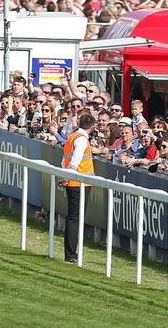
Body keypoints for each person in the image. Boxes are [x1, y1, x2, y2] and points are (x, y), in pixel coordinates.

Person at [62, 113, 96, 263]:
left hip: (74, 181)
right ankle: (70, 255)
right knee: (74, 219)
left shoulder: (73, 136)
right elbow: (74, 160)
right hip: (79, 183)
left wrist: (64, 175)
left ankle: (70, 253)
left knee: (73, 218)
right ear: (92, 127)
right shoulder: (81, 139)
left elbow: (65, 159)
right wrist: (67, 176)